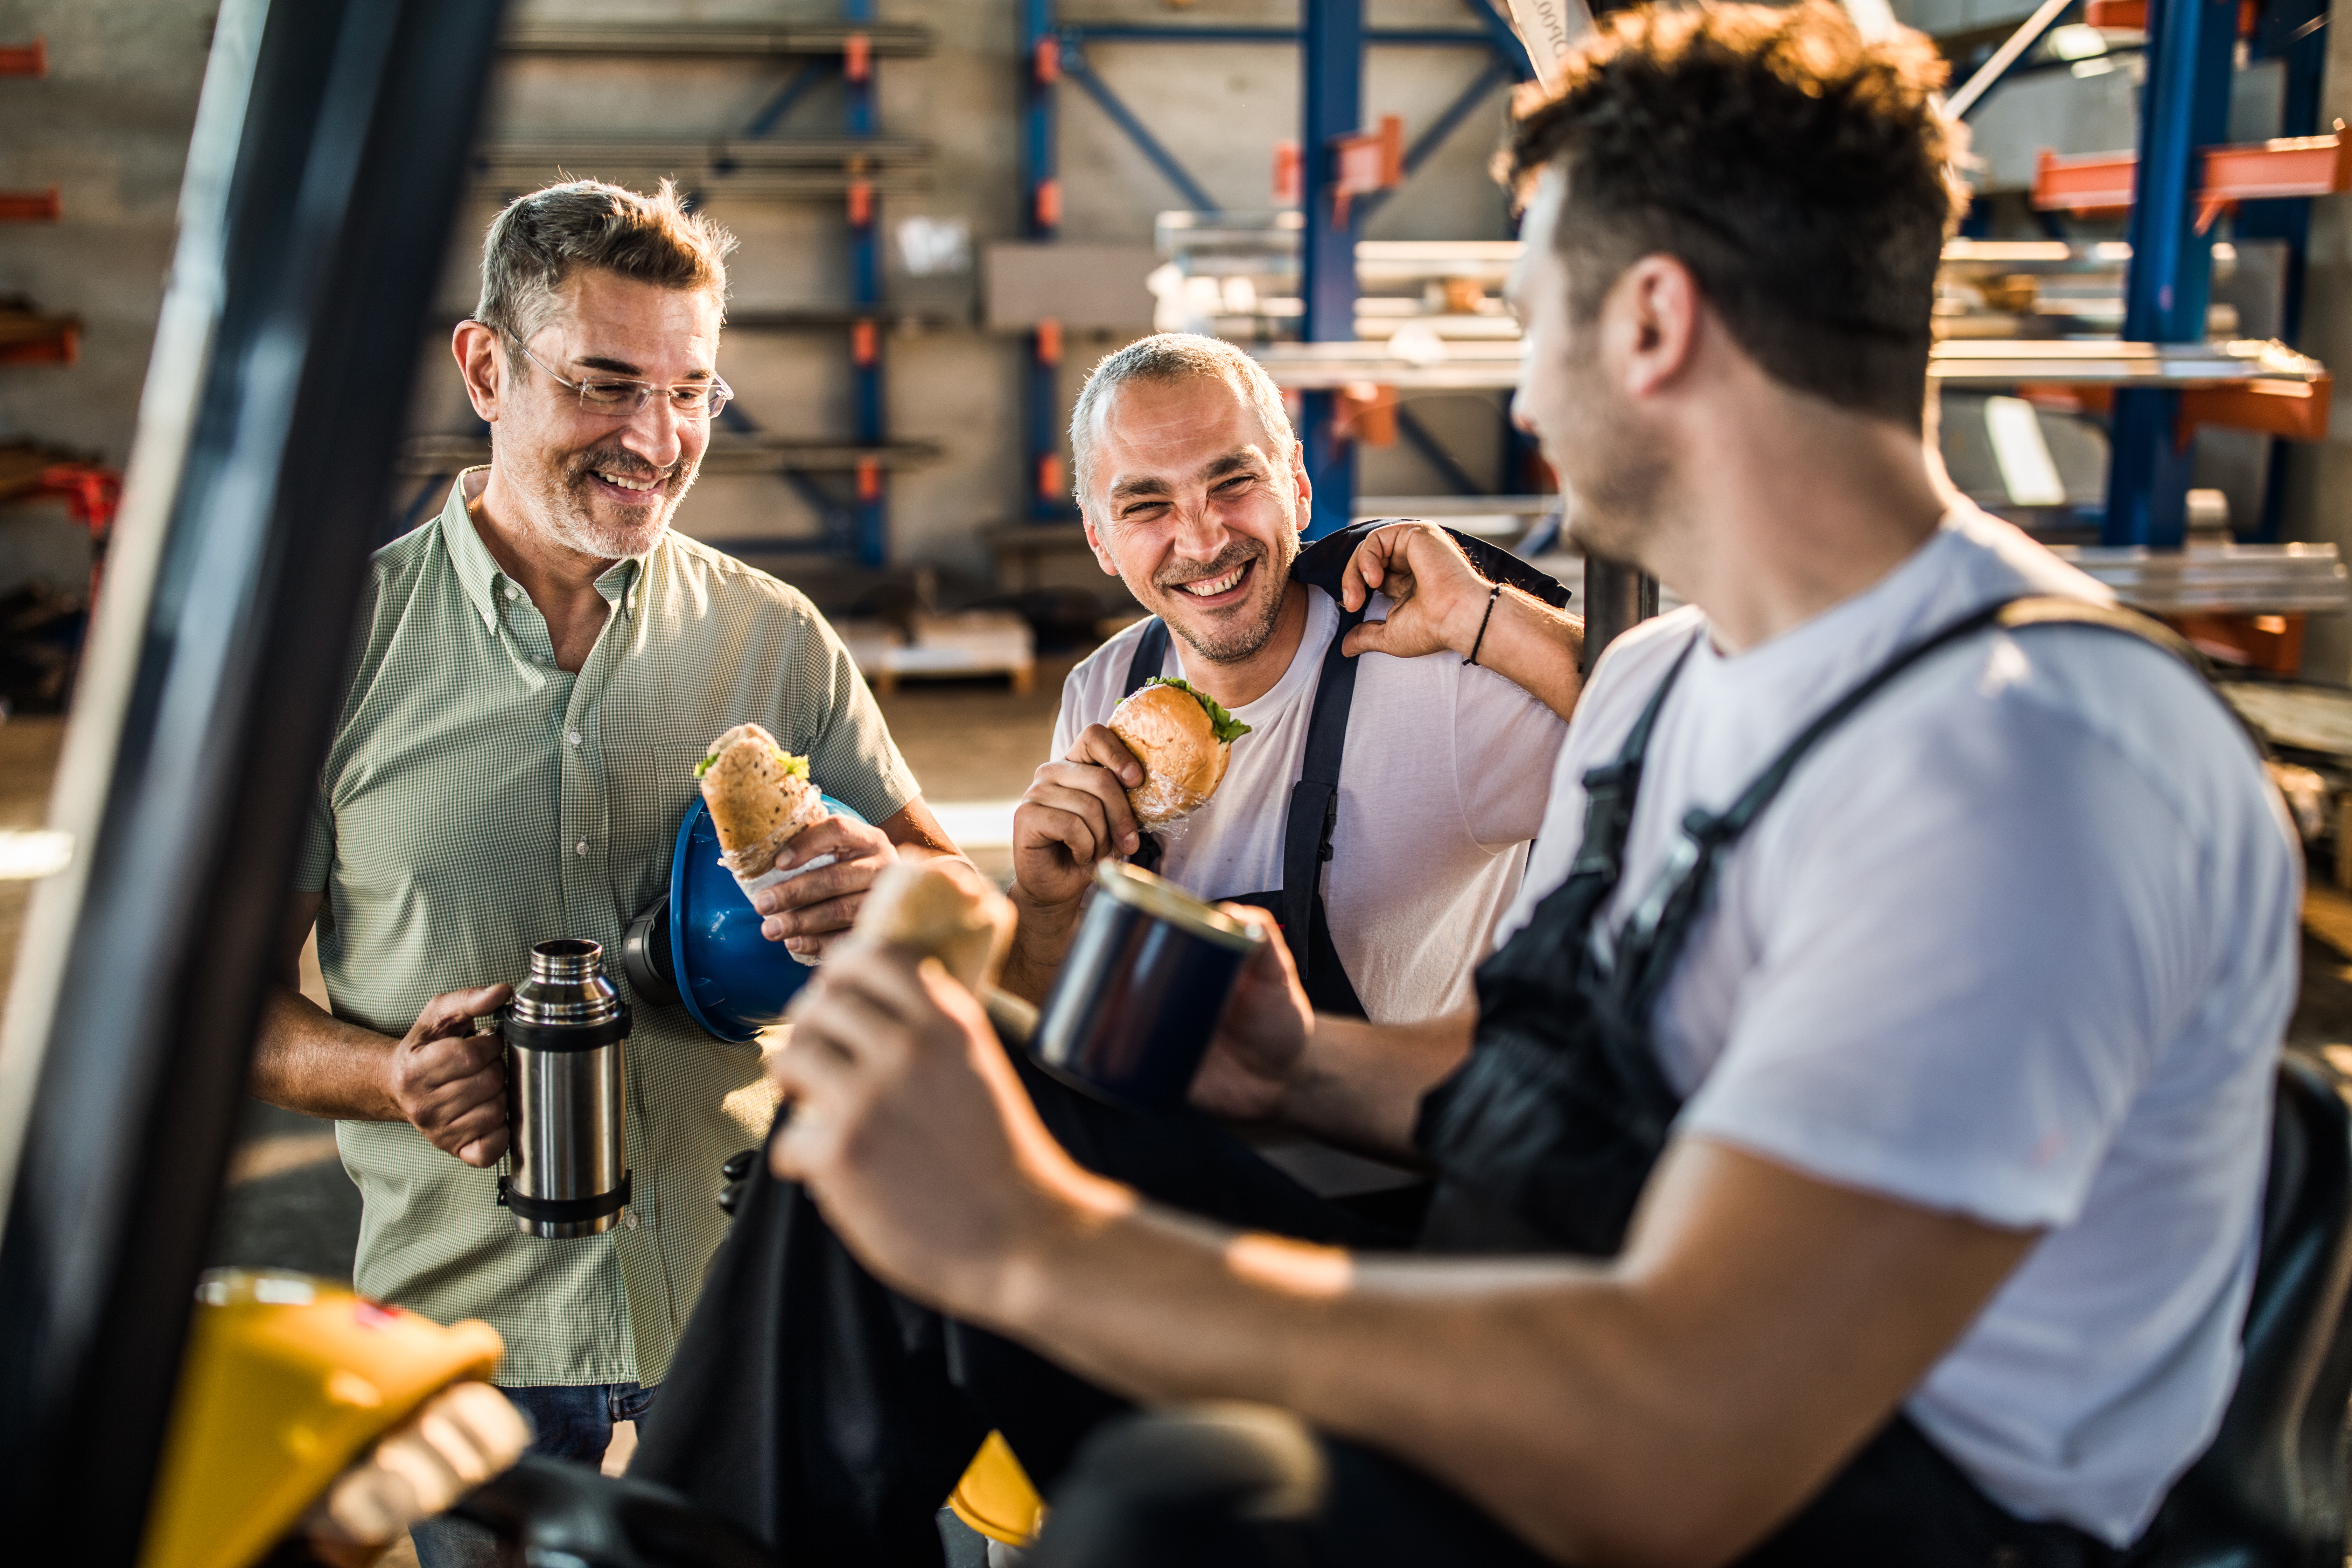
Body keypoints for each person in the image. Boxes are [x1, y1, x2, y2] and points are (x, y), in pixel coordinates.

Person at [637, 6, 2297, 1563]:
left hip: (1817, 1497)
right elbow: (1568, 1090)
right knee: (930, 1101)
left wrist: (1032, 1243)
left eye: (1529, 319)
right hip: (1552, 1292)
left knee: (1179, 1509)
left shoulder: (2027, 763)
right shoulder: (1654, 690)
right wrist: (1301, 1071)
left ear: (1651, 321)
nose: (1517, 396)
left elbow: (1699, 1427)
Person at [247, 179, 964, 1567]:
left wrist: (894, 892)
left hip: (750, 1296)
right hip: (471, 1337)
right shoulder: (336, 648)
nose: (656, 439)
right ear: (484, 368)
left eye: (693, 391)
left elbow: (955, 904)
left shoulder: (773, 641)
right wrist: (389, 1072)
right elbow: (227, 1015)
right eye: (602, 383)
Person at [1003, 335, 1577, 1040]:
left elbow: (1695, 725)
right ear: (1099, 539)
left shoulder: (1440, 676)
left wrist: (1483, 615)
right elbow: (1043, 1017)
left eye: (1233, 482)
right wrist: (1043, 907)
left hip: (1387, 1142)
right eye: (1148, 505)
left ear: (1297, 486)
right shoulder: (1102, 690)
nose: (1204, 540)